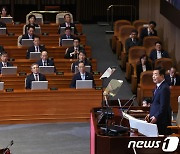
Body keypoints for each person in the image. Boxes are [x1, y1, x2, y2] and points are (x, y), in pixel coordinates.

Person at [145, 67, 172, 135]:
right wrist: (150, 114)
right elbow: (156, 104)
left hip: (161, 122)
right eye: (153, 75)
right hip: (155, 120)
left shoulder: (164, 88)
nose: (153, 77)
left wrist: (156, 116)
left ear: (162, 76)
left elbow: (164, 106)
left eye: (156, 74)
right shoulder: (158, 87)